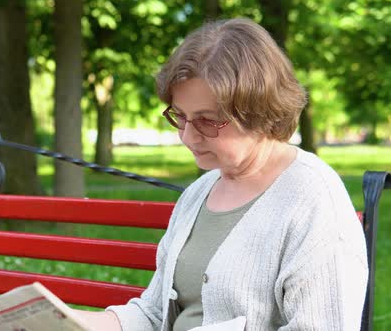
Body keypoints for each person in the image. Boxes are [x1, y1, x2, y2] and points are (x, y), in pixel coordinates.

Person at [73, 18, 368, 330]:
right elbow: (153, 313)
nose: (187, 137)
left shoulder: (313, 198)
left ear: (258, 110)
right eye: (180, 117)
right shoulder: (200, 193)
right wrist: (69, 321)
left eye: (206, 120)